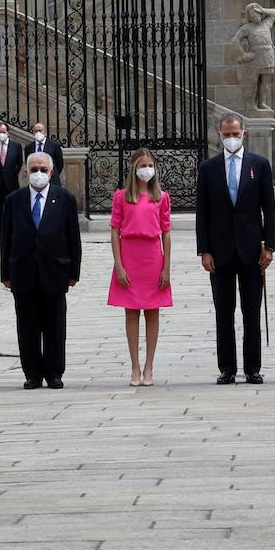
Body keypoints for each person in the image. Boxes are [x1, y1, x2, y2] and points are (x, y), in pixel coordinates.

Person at [195, 113, 275, 385]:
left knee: (251, 310)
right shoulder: (208, 168)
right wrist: (204, 250)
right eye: (226, 134)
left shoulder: (259, 165)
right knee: (224, 311)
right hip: (220, 250)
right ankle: (227, 368)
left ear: (244, 133)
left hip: (251, 248)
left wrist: (269, 246)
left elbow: (269, 208)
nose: (231, 138)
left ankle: (252, 367)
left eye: (235, 133)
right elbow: (202, 213)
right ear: (220, 135)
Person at [0, 152, 82, 390]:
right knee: (27, 326)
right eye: (34, 169)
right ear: (26, 172)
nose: (38, 173)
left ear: (51, 172)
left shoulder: (64, 198)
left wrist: (73, 270)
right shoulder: (13, 200)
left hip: (55, 269)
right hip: (23, 270)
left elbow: (73, 238)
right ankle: (32, 373)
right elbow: (6, 238)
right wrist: (5, 272)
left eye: (43, 169)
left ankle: (54, 372)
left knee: (55, 324)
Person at [107, 149, 172, 387]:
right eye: (142, 165)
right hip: (130, 255)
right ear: (134, 168)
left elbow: (166, 232)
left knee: (153, 311)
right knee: (131, 311)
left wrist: (166, 267)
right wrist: (119, 265)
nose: (147, 169)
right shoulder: (122, 197)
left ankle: (149, 366)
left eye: (150, 165)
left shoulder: (161, 197)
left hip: (153, 256)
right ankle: (134, 366)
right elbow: (115, 230)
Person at [0, 122, 23, 248]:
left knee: (12, 212)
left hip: (11, 184)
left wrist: (10, 175)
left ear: (8, 132)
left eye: (3, 132)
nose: (1, 134)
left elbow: (19, 163)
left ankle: (12, 239)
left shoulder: (16, 146)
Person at [29, 122, 65, 187]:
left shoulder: (54, 145)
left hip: (52, 180)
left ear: (45, 132)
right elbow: (29, 163)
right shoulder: (29, 147)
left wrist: (50, 173)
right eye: (36, 131)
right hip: (35, 181)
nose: (38, 133)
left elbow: (59, 164)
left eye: (40, 130)